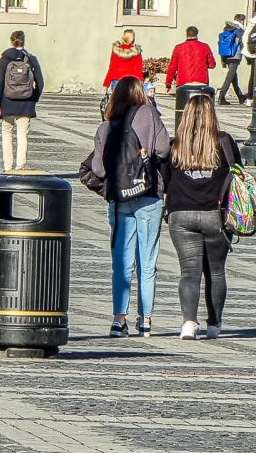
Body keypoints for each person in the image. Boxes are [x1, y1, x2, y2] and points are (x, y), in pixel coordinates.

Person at [90, 76, 170, 338]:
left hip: (119, 199)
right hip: (149, 194)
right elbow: (165, 149)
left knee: (122, 263)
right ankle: (146, 319)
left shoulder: (105, 127)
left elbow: (98, 169)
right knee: (148, 262)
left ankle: (118, 319)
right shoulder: (149, 113)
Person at [161, 95, 240, 340]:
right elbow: (238, 173)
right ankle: (214, 324)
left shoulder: (174, 146)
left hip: (181, 214)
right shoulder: (224, 142)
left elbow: (164, 181)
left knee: (189, 272)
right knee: (216, 272)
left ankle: (188, 323)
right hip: (215, 215)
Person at [0, 30, 44, 172]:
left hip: (7, 101)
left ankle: (7, 166)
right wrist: (34, 98)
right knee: (22, 135)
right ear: (24, 42)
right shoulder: (31, 59)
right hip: (26, 102)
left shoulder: (5, 59)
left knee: (7, 133)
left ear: (11, 41)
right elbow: (40, 82)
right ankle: (20, 165)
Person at [165, 26, 216, 94]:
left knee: (183, 104)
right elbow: (212, 65)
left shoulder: (178, 48)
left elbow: (172, 68)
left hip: (183, 83)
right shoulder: (205, 47)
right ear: (197, 34)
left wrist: (168, 84)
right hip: (201, 82)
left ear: (186, 34)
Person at [217, 15, 247, 105]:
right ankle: (221, 96)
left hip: (226, 54)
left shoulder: (227, 28)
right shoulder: (240, 30)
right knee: (230, 76)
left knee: (233, 76)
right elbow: (242, 44)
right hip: (235, 55)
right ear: (242, 21)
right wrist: (247, 55)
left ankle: (240, 96)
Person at [239, 10, 256, 106]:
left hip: (250, 52)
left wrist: (247, 53)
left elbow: (244, 38)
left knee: (253, 75)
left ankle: (250, 98)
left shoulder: (252, 23)